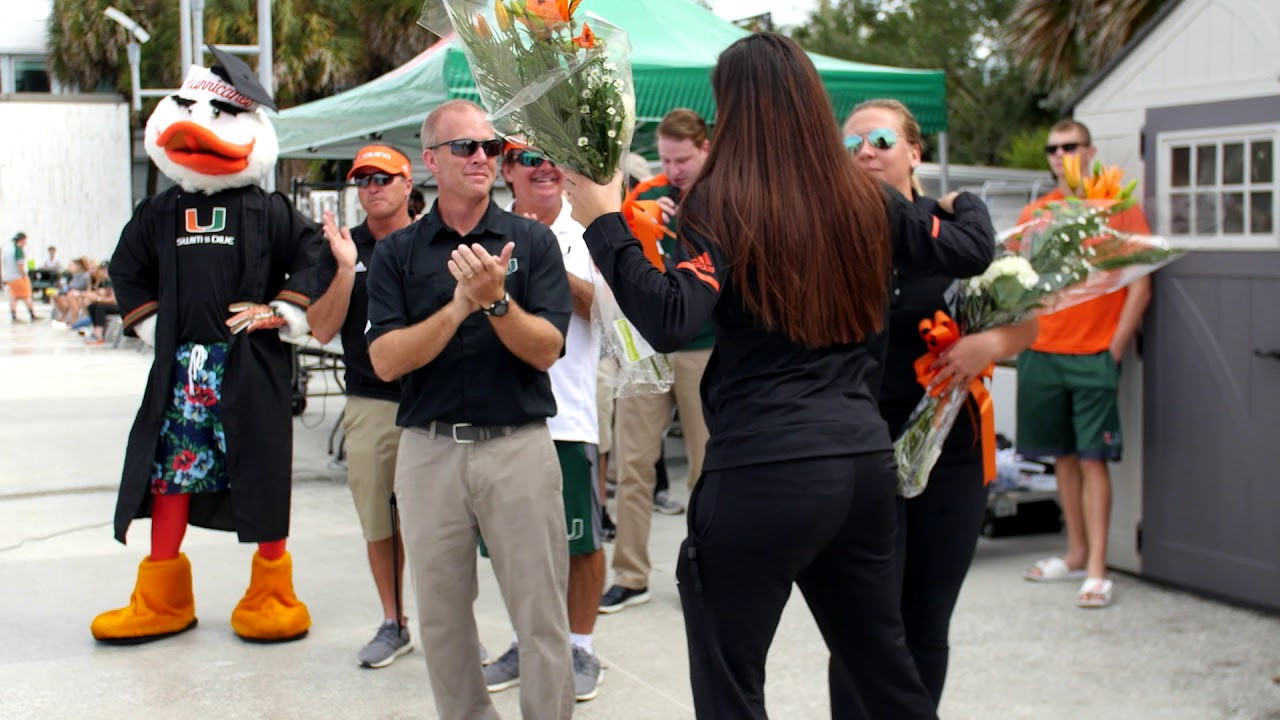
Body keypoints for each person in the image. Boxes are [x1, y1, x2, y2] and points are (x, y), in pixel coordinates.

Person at [565, 32, 994, 720]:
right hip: (860, 466)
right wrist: (963, 201)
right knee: (886, 674)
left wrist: (605, 225)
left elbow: (673, 317)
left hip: (764, 466)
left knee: (731, 683)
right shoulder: (868, 201)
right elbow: (970, 248)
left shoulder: (723, 202)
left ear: (733, 109)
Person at [91, 49, 318, 645]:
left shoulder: (270, 211)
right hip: (182, 373)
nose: (201, 127)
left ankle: (272, 592)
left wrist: (284, 310)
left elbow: (312, 254)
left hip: (251, 368)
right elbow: (126, 266)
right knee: (170, 476)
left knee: (263, 474)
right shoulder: (161, 212)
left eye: (220, 114)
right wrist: (150, 324)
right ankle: (161, 598)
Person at [364, 99, 574, 720]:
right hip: (429, 452)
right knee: (443, 619)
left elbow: (548, 350)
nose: (482, 157)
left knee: (540, 615)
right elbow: (386, 360)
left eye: (491, 147)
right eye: (466, 147)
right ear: (431, 160)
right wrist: (460, 306)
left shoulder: (532, 242)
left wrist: (497, 303)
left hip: (518, 447)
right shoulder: (399, 254)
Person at [844, 98, 1026, 707]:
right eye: (851, 146)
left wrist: (988, 344)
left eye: (878, 140)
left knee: (926, 620)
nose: (864, 152)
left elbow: (1028, 322)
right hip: (858, 453)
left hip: (951, 452)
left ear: (915, 153)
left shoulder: (958, 232)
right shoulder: (828, 235)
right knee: (866, 623)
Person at [482, 144, 606, 702]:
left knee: (580, 544)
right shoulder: (486, 231)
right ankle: (522, 640)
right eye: (528, 157)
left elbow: (606, 311)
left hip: (569, 419)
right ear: (507, 171)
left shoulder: (588, 233)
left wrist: (545, 255)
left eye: (552, 156)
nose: (544, 166)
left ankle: (580, 646)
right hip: (500, 418)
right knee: (511, 547)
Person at [1018, 119, 1152, 609]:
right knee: (1063, 458)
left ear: (1090, 150)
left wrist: (1113, 348)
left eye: (1069, 146)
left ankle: (1097, 570)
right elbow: (1020, 281)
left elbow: (1140, 284)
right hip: (1042, 353)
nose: (1060, 155)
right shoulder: (1038, 214)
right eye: (1052, 148)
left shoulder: (1119, 210)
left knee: (1094, 458)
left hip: (1093, 353)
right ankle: (1074, 554)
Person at [598, 108, 713, 614]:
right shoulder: (644, 195)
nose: (674, 169)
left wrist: (687, 225)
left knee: (707, 466)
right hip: (646, 346)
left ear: (705, 150)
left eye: (683, 159)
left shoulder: (721, 198)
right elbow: (621, 259)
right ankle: (630, 573)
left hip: (703, 347)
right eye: (666, 159)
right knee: (632, 464)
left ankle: (708, 570)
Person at [307, 144, 415, 667]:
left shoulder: (434, 237)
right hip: (371, 400)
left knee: (442, 525)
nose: (373, 187)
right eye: (363, 179)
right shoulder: (339, 247)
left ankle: (448, 626)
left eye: (383, 177)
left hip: (432, 400)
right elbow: (322, 327)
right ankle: (393, 621)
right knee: (379, 520)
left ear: (407, 183)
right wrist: (347, 269)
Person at [3, 233, 40, 322]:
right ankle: (32, 315)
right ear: (21, 240)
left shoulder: (7, 250)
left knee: (13, 297)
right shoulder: (18, 250)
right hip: (18, 277)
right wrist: (24, 275)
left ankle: (14, 316)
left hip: (9, 277)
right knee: (27, 296)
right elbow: (20, 264)